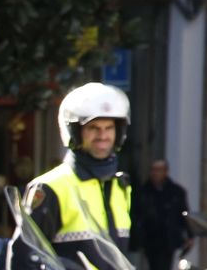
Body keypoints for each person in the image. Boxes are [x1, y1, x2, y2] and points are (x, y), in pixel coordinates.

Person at [25, 82, 133, 253]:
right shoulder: (50, 187)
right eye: (93, 128)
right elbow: (27, 256)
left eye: (109, 128)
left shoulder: (120, 185)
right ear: (75, 132)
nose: (103, 136)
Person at [132, 158, 190, 270]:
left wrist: (189, 235)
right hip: (151, 240)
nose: (156, 173)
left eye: (159, 170)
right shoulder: (144, 192)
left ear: (166, 171)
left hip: (168, 240)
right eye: (154, 170)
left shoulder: (176, 192)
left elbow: (184, 215)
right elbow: (137, 215)